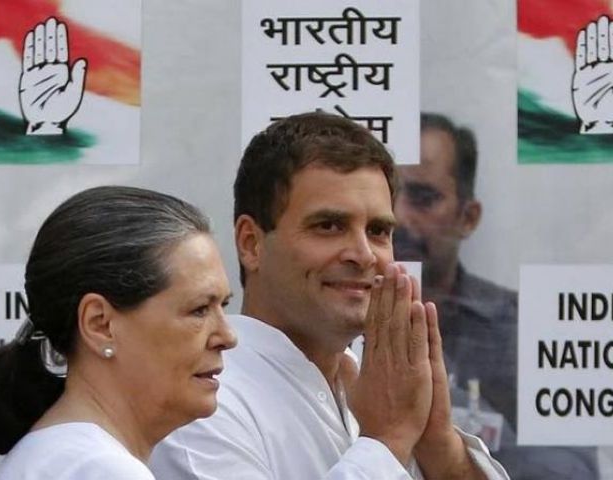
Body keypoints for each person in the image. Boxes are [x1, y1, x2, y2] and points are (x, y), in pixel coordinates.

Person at [150, 112, 508, 479]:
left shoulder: (382, 384)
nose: (364, 254)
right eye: (329, 226)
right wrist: (389, 438)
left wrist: (436, 440)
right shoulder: (200, 405)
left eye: (378, 230)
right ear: (251, 243)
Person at [0, 186, 237, 479]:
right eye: (199, 309)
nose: (228, 337)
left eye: (223, 305)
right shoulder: (100, 469)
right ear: (99, 324)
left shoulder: (63, 458)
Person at [392, 112, 599, 478]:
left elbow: (573, 471)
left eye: (423, 198)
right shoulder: (337, 324)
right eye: (387, 196)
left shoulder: (523, 329)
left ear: (467, 217)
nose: (398, 217)